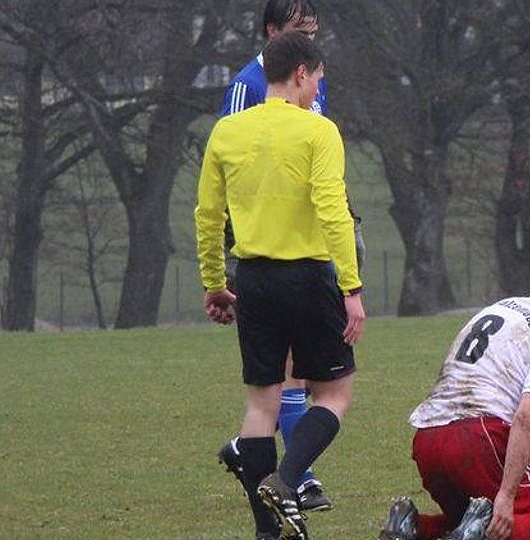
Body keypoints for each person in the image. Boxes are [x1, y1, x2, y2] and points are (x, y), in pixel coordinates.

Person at [195, 32, 364, 540]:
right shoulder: (319, 131)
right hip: (310, 277)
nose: (317, 90)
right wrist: (351, 288)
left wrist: (214, 283)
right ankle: (287, 480)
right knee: (334, 394)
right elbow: (332, 209)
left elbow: (208, 215)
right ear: (300, 74)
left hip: (254, 280)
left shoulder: (226, 132)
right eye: (317, 79)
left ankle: (267, 532)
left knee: (260, 405)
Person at [379, 247, 530, 540]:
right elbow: (527, 416)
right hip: (478, 438)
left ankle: (412, 526)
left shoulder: (499, 308)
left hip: (428, 438)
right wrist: (506, 496)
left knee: (466, 520)